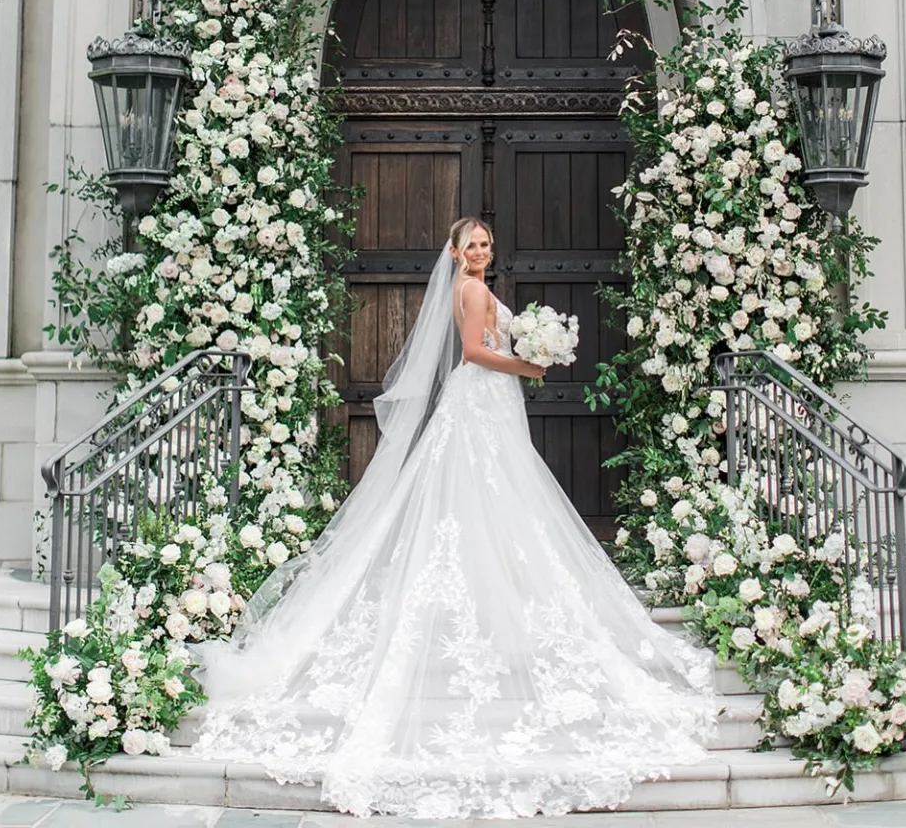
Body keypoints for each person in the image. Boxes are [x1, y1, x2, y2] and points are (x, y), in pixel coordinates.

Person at [190, 216, 717, 819]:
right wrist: (528, 366)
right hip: (479, 403)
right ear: (455, 251)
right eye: (473, 245)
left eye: (487, 244)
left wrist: (532, 349)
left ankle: (493, 607)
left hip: (491, 406)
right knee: (480, 500)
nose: (482, 252)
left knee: (499, 505)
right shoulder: (467, 289)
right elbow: (471, 352)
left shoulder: (479, 287)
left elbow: (492, 344)